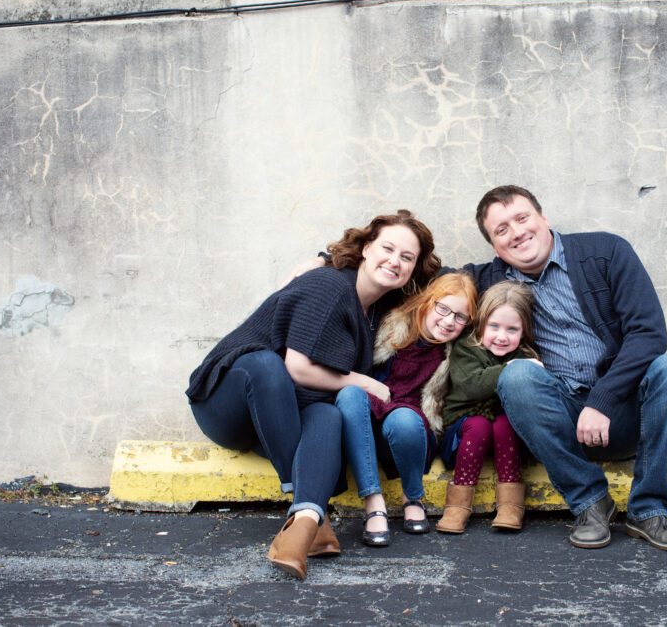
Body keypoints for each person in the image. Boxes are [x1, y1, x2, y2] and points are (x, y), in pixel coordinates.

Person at [185, 210, 440, 579]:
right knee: (264, 364)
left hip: (279, 422)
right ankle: (306, 498)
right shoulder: (330, 286)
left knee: (328, 415)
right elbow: (298, 368)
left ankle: (304, 523)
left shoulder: (381, 307)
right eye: (387, 248)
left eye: (407, 257)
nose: (395, 261)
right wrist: (364, 382)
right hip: (228, 404)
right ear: (367, 249)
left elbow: (449, 283)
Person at [464, 185, 667, 552]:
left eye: (522, 218)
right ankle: (590, 504)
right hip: (561, 419)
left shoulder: (605, 252)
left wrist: (602, 401)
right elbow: (426, 281)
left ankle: (649, 509)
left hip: (627, 411)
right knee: (516, 375)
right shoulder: (493, 280)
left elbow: (648, 333)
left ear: (543, 219)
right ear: (495, 248)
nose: (516, 232)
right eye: (501, 229)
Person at [335, 272, 478, 546]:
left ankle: (412, 496)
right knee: (351, 394)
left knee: (403, 419)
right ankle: (373, 503)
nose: (449, 321)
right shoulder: (391, 324)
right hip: (366, 419)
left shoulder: (456, 352)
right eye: (443, 308)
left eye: (460, 317)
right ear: (427, 301)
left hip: (410, 428)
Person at [437, 280, 541, 534]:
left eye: (512, 329)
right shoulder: (466, 347)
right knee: (481, 425)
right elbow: (473, 385)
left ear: (524, 331)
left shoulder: (525, 353)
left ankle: (510, 504)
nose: (502, 337)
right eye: (493, 326)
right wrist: (513, 369)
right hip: (464, 429)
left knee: (504, 424)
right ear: (481, 323)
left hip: (506, 436)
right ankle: (457, 506)